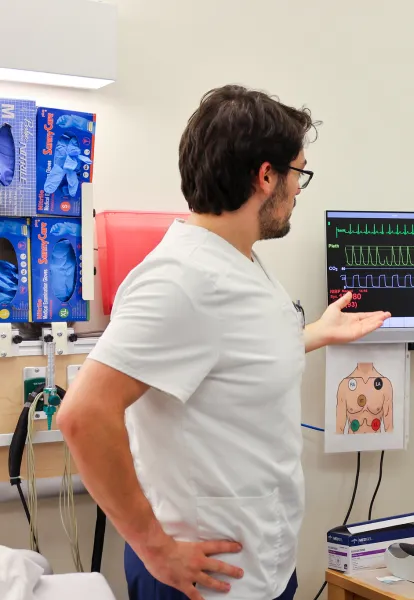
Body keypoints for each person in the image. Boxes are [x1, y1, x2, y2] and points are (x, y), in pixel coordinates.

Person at [57, 85, 389, 600]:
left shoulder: (240, 260)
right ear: (266, 176)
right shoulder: (181, 280)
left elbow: (228, 358)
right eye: (297, 173)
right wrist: (155, 547)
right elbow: (83, 415)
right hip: (202, 582)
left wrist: (316, 334)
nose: (299, 189)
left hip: (262, 565)